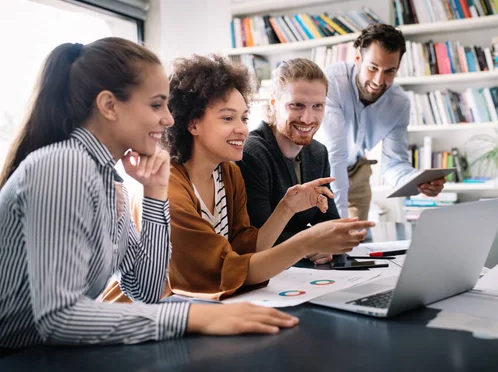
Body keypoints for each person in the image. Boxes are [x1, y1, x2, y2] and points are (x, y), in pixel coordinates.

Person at [0, 38, 300, 351]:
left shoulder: (108, 179)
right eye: (156, 105)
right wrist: (193, 317)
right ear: (109, 106)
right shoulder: (64, 167)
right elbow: (58, 317)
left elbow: (146, 288)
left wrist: (155, 194)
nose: (170, 119)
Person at [103, 54, 373, 302]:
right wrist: (307, 242)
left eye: (243, 117)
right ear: (192, 123)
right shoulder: (168, 186)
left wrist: (287, 207)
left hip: (192, 309)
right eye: (228, 118)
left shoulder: (227, 172)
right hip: (142, 315)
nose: (242, 129)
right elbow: (222, 270)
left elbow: (246, 247)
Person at [316, 23, 446, 221]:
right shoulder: (331, 82)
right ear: (358, 59)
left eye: (389, 71)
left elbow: (394, 164)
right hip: (321, 169)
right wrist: (338, 223)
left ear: (398, 68)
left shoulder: (399, 103)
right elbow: (335, 156)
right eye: (373, 68)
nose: (379, 80)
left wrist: (418, 181)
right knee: (327, 238)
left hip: (358, 170)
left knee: (354, 242)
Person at [237, 59, 338, 265]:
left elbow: (329, 221)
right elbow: (260, 239)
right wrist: (313, 241)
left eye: (317, 106)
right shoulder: (253, 153)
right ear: (274, 104)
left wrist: (324, 243)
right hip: (264, 272)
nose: (308, 118)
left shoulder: (318, 152)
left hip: (301, 269)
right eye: (297, 105)